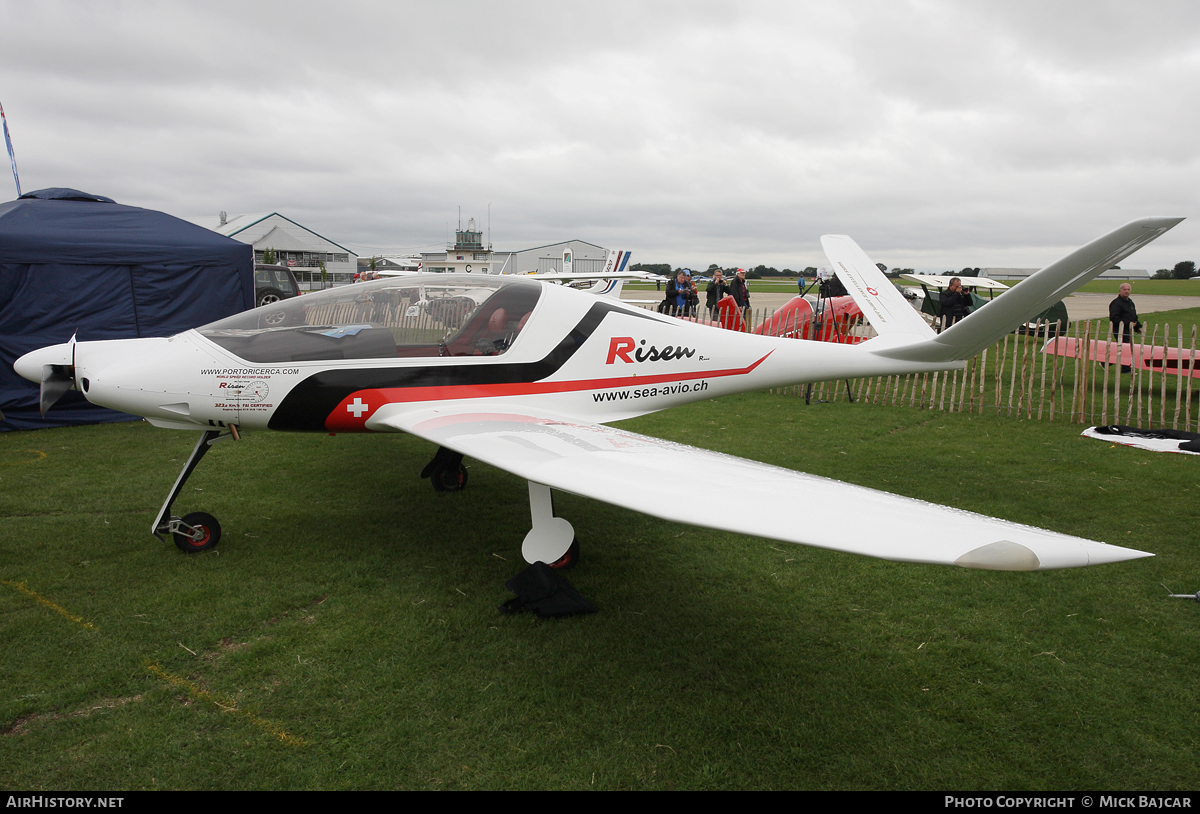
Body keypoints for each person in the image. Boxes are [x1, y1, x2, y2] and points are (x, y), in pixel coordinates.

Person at [1110, 282, 1141, 373]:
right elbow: (1114, 318)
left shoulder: (1130, 303)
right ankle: (1125, 368)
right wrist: (1127, 323)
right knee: (1125, 348)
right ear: (1120, 291)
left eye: (1128, 289)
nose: (1126, 291)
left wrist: (1138, 327)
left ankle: (1106, 363)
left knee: (1122, 348)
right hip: (1120, 329)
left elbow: (1133, 316)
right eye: (1124, 289)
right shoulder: (1116, 303)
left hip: (1129, 329)